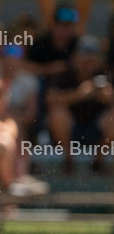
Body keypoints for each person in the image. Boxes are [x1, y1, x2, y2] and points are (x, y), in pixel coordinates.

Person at [45, 35, 114, 173]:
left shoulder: (104, 74)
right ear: (76, 58)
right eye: (85, 60)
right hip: (71, 131)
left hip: (96, 130)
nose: (88, 65)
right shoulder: (65, 73)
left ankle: (98, 162)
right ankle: (69, 161)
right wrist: (79, 94)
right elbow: (49, 99)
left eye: (92, 60)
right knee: (57, 114)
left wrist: (107, 96)